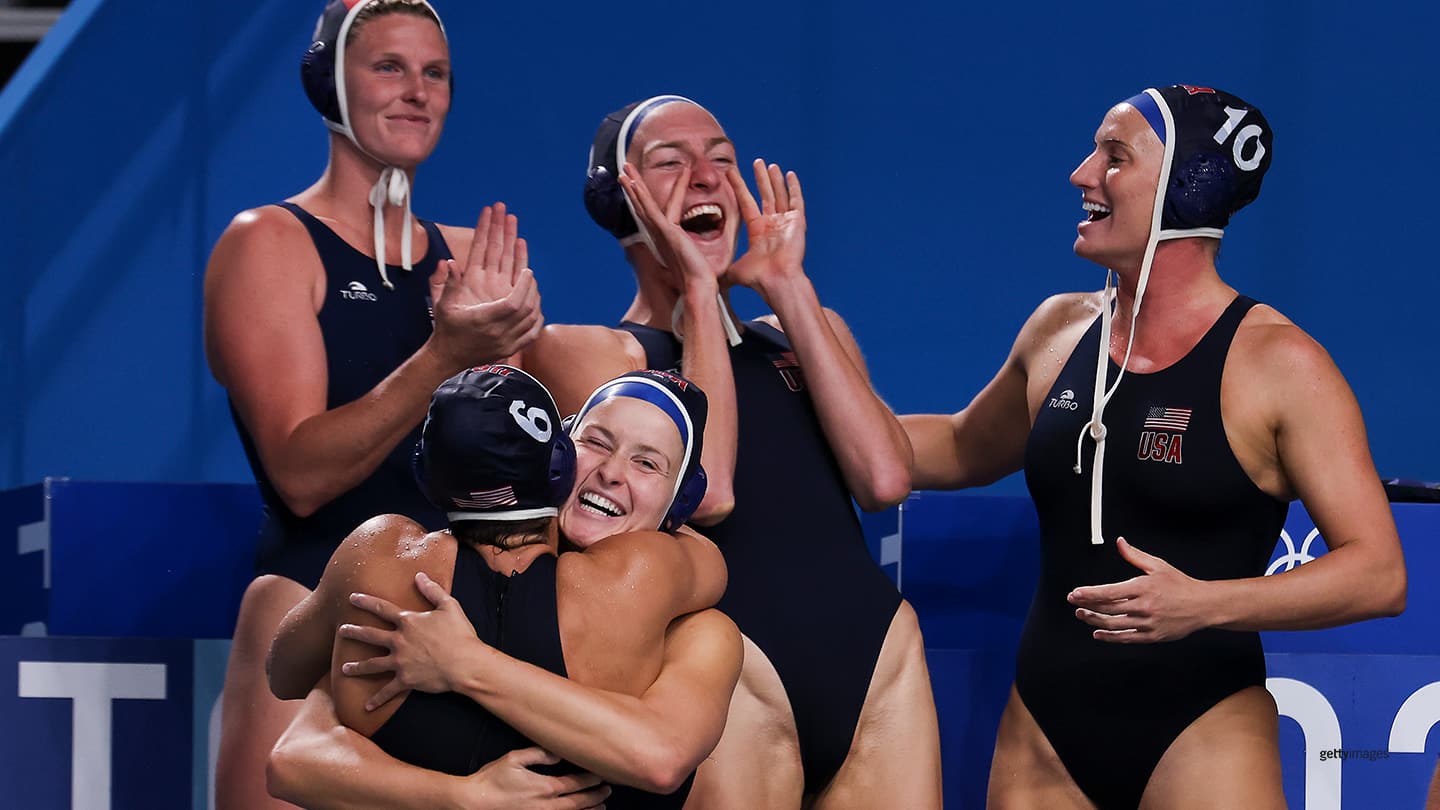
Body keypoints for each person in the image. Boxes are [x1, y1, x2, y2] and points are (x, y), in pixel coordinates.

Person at [901, 85, 1406, 808]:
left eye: (1114, 157)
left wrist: (1202, 604)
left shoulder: (1278, 364)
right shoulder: (1058, 330)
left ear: (1186, 190)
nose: (1082, 175)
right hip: (1044, 728)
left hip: (1202, 727)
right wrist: (805, 408)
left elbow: (1380, 572)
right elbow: (957, 445)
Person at [522, 95, 941, 809]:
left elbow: (885, 477)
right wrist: (696, 291)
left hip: (876, 660)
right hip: (731, 669)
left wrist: (789, 284)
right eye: (671, 163)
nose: (707, 176)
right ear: (620, 201)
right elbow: (707, 490)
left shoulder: (803, 331)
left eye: (720, 158)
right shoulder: (590, 353)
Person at [202, 1, 543, 806]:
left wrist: (507, 354)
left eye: (435, 74)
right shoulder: (269, 243)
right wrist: (446, 356)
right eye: (388, 67)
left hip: (452, 621)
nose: (417, 91)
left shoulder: (472, 257)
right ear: (328, 83)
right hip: (315, 609)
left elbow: (505, 481)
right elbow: (301, 473)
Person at [264, 366, 743, 809]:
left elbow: (660, 758)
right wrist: (465, 797)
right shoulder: (411, 600)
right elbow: (296, 754)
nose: (612, 473)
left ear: (680, 501)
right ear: (553, 455)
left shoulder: (700, 634)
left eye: (647, 464)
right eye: (596, 442)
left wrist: (466, 664)